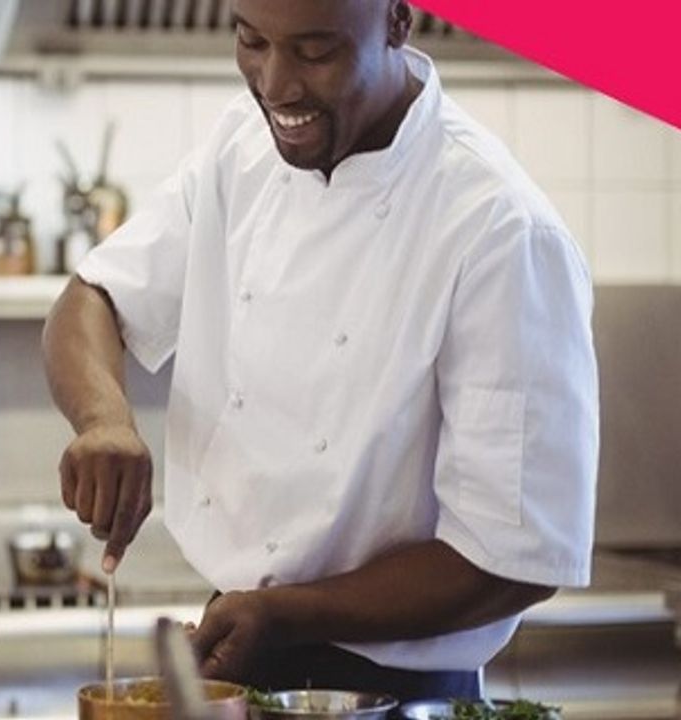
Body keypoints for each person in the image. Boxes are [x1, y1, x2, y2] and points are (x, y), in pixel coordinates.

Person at [42, 0, 597, 700]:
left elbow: (513, 557)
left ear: (399, 21)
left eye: (315, 52)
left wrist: (285, 616)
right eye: (251, 40)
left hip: (395, 697)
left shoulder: (499, 229)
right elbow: (91, 298)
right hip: (243, 659)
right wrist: (104, 421)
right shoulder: (238, 151)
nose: (275, 84)